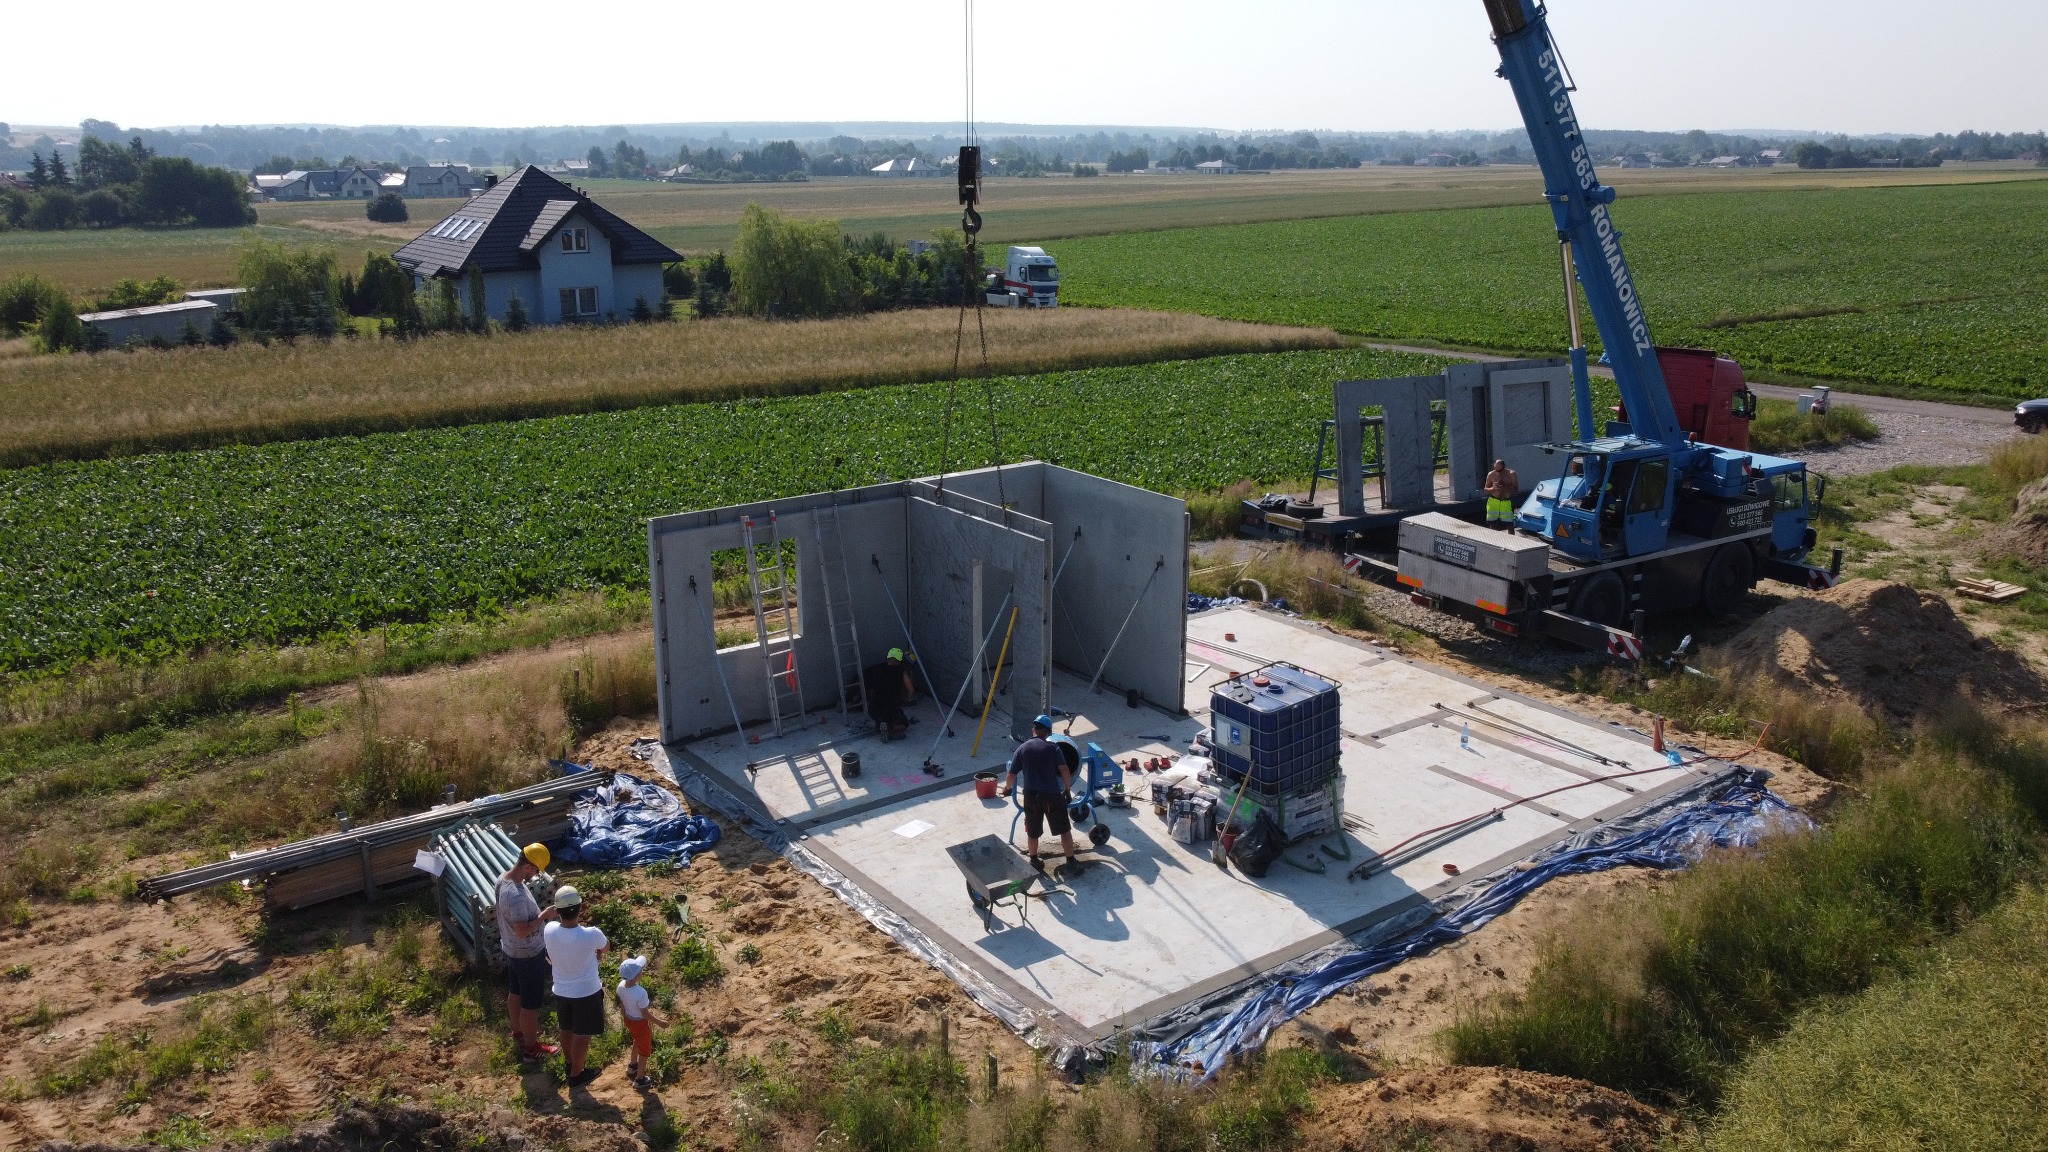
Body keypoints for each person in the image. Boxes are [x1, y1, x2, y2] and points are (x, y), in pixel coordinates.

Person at [496, 843, 559, 1063]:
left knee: (515, 993)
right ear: (528, 866)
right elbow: (522, 931)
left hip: (511, 950)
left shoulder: (503, 878)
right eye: (535, 871)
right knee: (530, 1004)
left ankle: (519, 1032)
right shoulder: (516, 896)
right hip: (527, 954)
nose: (534, 876)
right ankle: (531, 1049)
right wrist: (544, 916)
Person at [542, 885, 609, 1088]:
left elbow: (548, 921)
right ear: (581, 908)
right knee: (583, 1034)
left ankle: (570, 1063)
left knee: (567, 1029)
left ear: (558, 910)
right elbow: (605, 947)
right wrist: (596, 955)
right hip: (587, 992)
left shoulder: (549, 930)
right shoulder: (591, 934)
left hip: (561, 991)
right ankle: (576, 1075)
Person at [998, 715, 1077, 865]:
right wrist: (1067, 791)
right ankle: (1071, 861)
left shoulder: (1021, 749)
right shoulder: (1053, 747)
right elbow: (1065, 770)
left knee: (1032, 831)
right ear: (1047, 732)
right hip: (1052, 795)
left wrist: (1007, 789)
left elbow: (1011, 775)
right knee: (1064, 830)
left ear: (1033, 730)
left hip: (1031, 797)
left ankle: (1034, 860)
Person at [615, 954, 669, 1090]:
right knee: (644, 1052)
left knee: (636, 1041)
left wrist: (624, 1014)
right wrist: (659, 1022)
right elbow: (645, 1013)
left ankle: (633, 1065)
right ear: (636, 975)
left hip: (628, 1019)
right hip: (640, 1023)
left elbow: (622, 1004)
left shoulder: (621, 986)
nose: (642, 971)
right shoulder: (640, 992)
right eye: (640, 970)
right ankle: (640, 1079)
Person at [864, 647, 917, 740]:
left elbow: (871, 691)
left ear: (888, 658)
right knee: (904, 724)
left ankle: (880, 724)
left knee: (881, 715)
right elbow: (911, 690)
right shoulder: (901, 672)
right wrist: (905, 700)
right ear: (900, 661)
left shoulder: (877, 670)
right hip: (891, 710)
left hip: (873, 710)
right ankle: (890, 727)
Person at [1484, 459, 1520, 530]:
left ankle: (1511, 539)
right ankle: (1492, 539)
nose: (1498, 473)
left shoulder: (1511, 474)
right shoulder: (1491, 474)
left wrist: (1506, 487)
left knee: (1509, 524)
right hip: (1493, 502)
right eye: (1496, 470)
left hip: (1505, 502)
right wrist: (1493, 488)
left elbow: (1516, 490)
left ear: (1504, 467)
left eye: (1500, 471)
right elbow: (1486, 490)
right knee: (1492, 524)